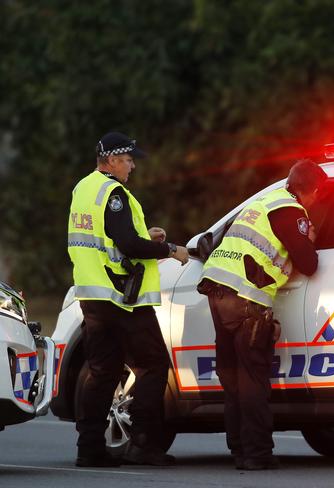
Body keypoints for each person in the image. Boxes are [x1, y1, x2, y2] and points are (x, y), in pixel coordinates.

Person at [67, 132, 189, 467]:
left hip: (92, 294)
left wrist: (142, 238)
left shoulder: (84, 188)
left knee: (102, 370)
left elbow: (108, 238)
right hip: (122, 296)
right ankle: (144, 444)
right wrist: (169, 249)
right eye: (128, 159)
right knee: (152, 366)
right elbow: (128, 246)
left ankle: (89, 448)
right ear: (111, 161)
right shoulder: (114, 192)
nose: (132, 165)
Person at [197, 159, 327, 470]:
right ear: (314, 190)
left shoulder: (263, 201)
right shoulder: (291, 212)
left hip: (218, 291)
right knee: (252, 377)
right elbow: (308, 265)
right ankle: (256, 454)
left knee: (232, 377)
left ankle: (240, 449)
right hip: (245, 299)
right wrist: (309, 239)